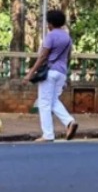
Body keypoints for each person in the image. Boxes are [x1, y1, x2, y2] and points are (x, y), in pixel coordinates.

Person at [24, 9, 78, 142]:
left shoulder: (51, 36)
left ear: (50, 23)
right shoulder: (67, 37)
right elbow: (68, 57)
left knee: (44, 103)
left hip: (50, 72)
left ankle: (48, 134)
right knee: (53, 101)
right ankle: (70, 122)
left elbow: (43, 56)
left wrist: (30, 73)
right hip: (61, 72)